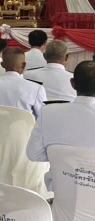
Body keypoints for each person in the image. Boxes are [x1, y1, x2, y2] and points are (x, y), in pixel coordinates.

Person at [27, 61, 95, 191]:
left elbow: (33, 154)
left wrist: (63, 158)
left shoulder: (48, 112)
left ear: (73, 84)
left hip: (62, 191)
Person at [0, 47, 47, 118]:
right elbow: (43, 117)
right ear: (24, 65)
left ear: (2, 65)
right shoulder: (36, 88)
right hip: (23, 125)